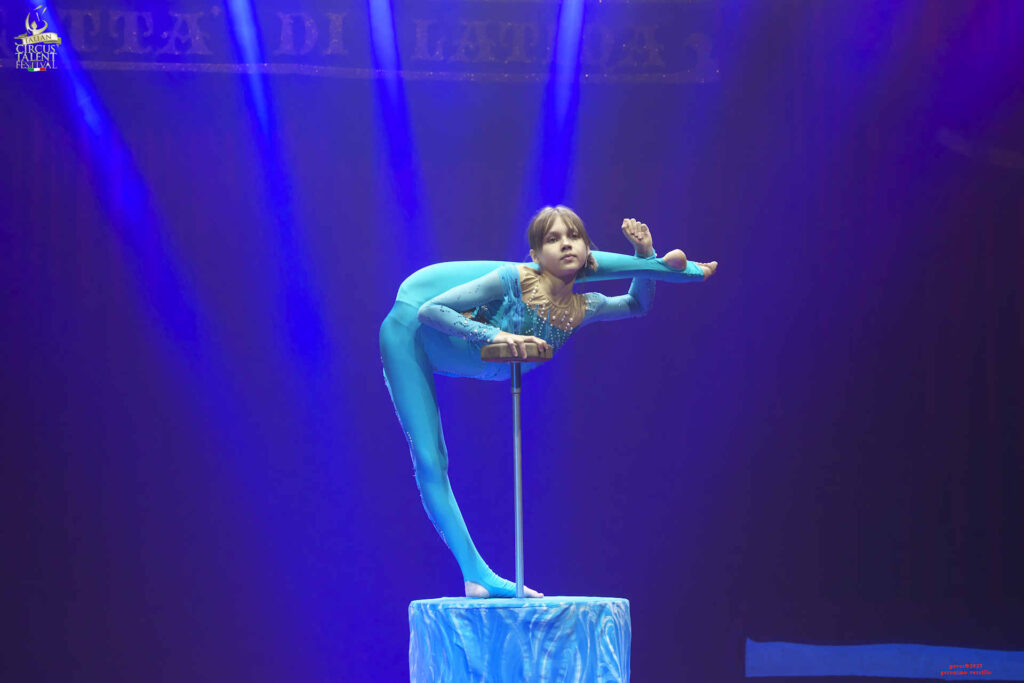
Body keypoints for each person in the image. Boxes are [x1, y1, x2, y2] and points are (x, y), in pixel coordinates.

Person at [380, 206, 717, 598]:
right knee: (430, 461)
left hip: (476, 353)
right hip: (410, 331)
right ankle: (476, 573)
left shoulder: (583, 308)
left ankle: (660, 265)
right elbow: (429, 311)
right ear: (535, 254)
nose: (566, 244)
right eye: (553, 239)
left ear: (588, 249)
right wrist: (496, 336)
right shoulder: (515, 278)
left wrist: (645, 255)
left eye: (573, 237)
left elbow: (636, 305)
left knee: (581, 270)